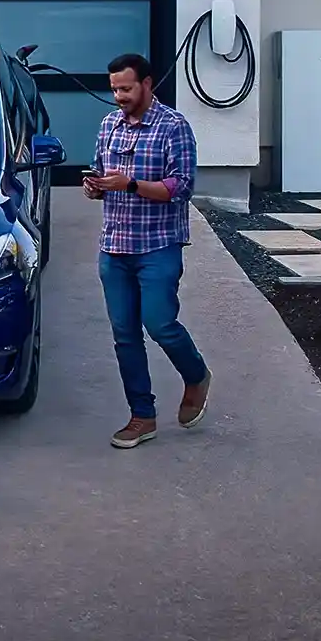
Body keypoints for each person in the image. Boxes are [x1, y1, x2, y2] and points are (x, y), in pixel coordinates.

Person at [84, 52, 211, 448]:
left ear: (147, 84)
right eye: (114, 89)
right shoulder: (109, 125)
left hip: (158, 246)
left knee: (159, 324)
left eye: (126, 88)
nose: (119, 96)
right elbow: (101, 171)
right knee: (125, 335)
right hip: (114, 247)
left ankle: (196, 375)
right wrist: (95, 186)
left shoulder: (173, 127)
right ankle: (142, 416)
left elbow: (181, 187)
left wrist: (131, 185)